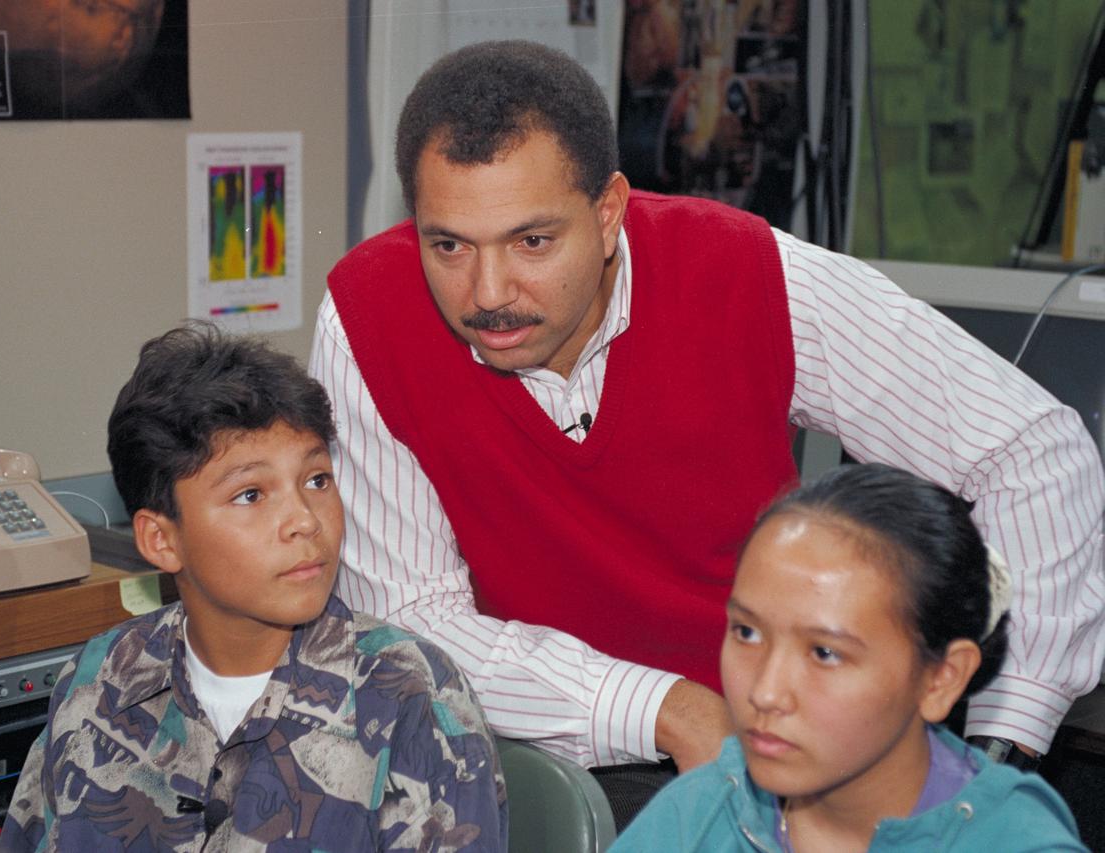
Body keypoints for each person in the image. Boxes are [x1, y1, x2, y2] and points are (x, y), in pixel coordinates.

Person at [309, 38, 1104, 816]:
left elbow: (1031, 450)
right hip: (523, 755)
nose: (487, 292)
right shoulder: (366, 315)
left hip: (777, 745)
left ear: (610, 209)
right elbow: (413, 622)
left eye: (533, 241)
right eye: (447, 244)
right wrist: (665, 707)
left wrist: (1005, 739)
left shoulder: (743, 272)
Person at [0, 323, 507, 852]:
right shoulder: (99, 681)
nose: (305, 521)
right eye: (250, 494)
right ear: (160, 539)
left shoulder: (407, 693)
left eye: (317, 480)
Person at [611, 463, 1087, 851]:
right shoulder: (704, 807)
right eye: (747, 632)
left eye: (824, 652)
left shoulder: (1012, 843)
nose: (765, 691)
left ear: (940, 678)